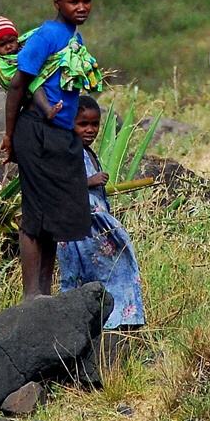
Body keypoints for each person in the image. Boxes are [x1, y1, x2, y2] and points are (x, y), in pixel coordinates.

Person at [0, 0, 100, 302]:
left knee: (56, 217)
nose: (81, 7)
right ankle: (32, 295)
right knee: (35, 214)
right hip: (36, 131)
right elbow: (18, 85)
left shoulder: (75, 39)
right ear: (58, 3)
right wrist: (10, 136)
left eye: (86, 0)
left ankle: (45, 292)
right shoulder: (47, 36)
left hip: (60, 134)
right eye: (74, 1)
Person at [57, 95, 146, 332]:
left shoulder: (85, 151)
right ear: (69, 122)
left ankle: (117, 321)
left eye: (94, 124)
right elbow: (58, 184)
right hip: (84, 227)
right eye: (83, 124)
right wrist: (89, 181)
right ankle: (116, 320)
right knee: (110, 269)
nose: (90, 130)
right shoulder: (68, 150)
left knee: (110, 271)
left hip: (94, 226)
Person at [0, 15, 62, 120]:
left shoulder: (24, 44)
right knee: (36, 86)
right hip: (23, 89)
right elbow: (9, 80)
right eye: (2, 45)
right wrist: (27, 70)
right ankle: (48, 110)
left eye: (11, 41)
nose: (8, 46)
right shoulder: (0, 63)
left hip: (37, 74)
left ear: (16, 39)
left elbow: (40, 34)